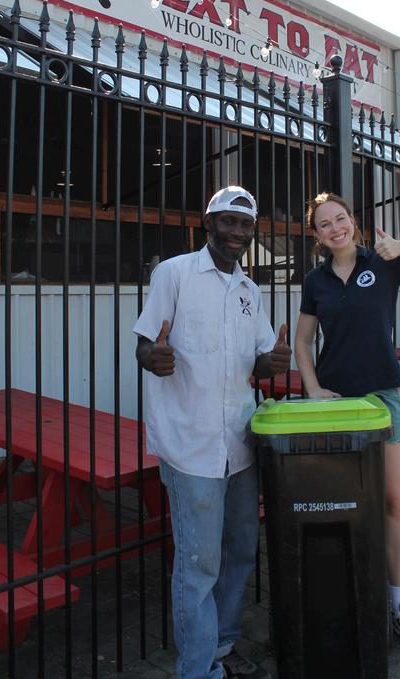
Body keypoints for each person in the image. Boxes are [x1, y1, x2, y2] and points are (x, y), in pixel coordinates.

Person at [294, 192, 400, 653]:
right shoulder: (315, 281)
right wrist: (312, 388)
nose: (335, 228)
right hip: (335, 404)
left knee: (393, 501)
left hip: (383, 398)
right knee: (341, 501)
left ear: (353, 221)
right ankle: (349, 594)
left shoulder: (384, 262)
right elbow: (303, 342)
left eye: (341, 219)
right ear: (316, 235)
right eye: (325, 224)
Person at [134, 185, 291, 679]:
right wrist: (153, 358)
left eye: (245, 225)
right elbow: (145, 345)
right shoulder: (174, 274)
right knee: (199, 563)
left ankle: (221, 642)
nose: (237, 233)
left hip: (239, 445)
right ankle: (197, 668)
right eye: (228, 222)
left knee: (241, 550)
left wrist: (274, 363)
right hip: (191, 445)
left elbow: (257, 361)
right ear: (208, 224)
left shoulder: (249, 291)